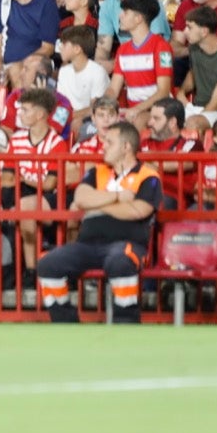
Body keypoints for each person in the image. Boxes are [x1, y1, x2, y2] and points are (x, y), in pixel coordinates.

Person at [36, 120, 160, 323]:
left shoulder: (148, 176)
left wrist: (97, 202)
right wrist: (119, 197)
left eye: (109, 142)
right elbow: (81, 198)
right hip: (87, 244)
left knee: (120, 261)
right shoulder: (96, 171)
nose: (103, 146)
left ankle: (126, 323)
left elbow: (139, 210)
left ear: (126, 147)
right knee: (48, 263)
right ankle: (65, 324)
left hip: (128, 244)